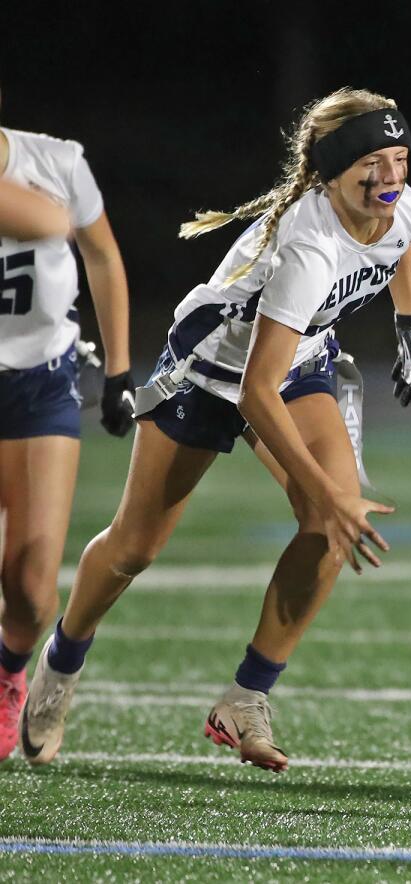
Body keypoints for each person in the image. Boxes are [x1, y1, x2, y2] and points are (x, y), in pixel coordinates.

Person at [18, 87, 411, 771]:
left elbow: (399, 240)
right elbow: (256, 392)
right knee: (134, 547)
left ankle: (244, 698)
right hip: (211, 371)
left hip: (294, 359)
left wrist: (408, 324)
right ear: (331, 170)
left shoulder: (401, 205)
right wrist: (327, 491)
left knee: (329, 528)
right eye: (371, 163)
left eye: (400, 157)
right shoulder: (310, 247)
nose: (390, 177)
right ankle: (60, 664)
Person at [0, 112, 135, 762]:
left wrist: (119, 371)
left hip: (39, 383)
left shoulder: (51, 161)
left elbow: (98, 250)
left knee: (30, 591)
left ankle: (8, 672)